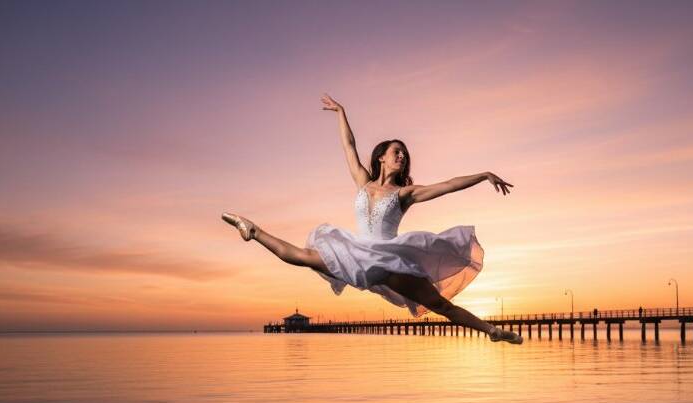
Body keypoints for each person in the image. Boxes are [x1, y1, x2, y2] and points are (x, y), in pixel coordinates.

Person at [221, 93, 522, 344]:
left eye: (404, 154)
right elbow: (349, 146)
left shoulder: (405, 193)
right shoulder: (363, 182)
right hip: (354, 252)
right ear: (381, 157)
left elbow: (447, 185)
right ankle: (252, 230)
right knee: (301, 256)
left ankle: (491, 331)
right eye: (397, 152)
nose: (402, 156)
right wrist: (341, 112)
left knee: (440, 305)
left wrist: (483, 175)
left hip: (389, 260)